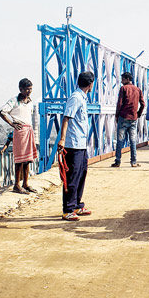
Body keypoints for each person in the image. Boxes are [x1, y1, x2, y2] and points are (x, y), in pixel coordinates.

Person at [57, 71, 95, 221]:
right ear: (90, 84)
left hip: (81, 143)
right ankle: (68, 209)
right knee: (72, 176)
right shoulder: (76, 98)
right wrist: (62, 139)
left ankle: (78, 205)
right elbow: (66, 118)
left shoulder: (82, 98)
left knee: (81, 174)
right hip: (73, 144)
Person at [0, 78, 38, 194]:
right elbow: (1, 111)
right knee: (19, 160)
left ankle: (26, 183)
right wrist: (11, 123)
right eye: (27, 89)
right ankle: (17, 185)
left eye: (30, 89)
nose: (29, 91)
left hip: (28, 130)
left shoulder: (29, 101)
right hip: (20, 131)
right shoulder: (14, 101)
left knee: (28, 159)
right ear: (21, 89)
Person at [111, 72, 145, 168]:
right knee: (133, 140)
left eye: (122, 79)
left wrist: (117, 115)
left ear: (127, 79)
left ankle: (118, 161)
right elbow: (143, 104)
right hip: (133, 118)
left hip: (123, 117)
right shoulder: (138, 89)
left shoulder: (123, 88)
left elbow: (120, 103)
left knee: (120, 140)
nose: (121, 81)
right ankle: (133, 162)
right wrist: (138, 114)